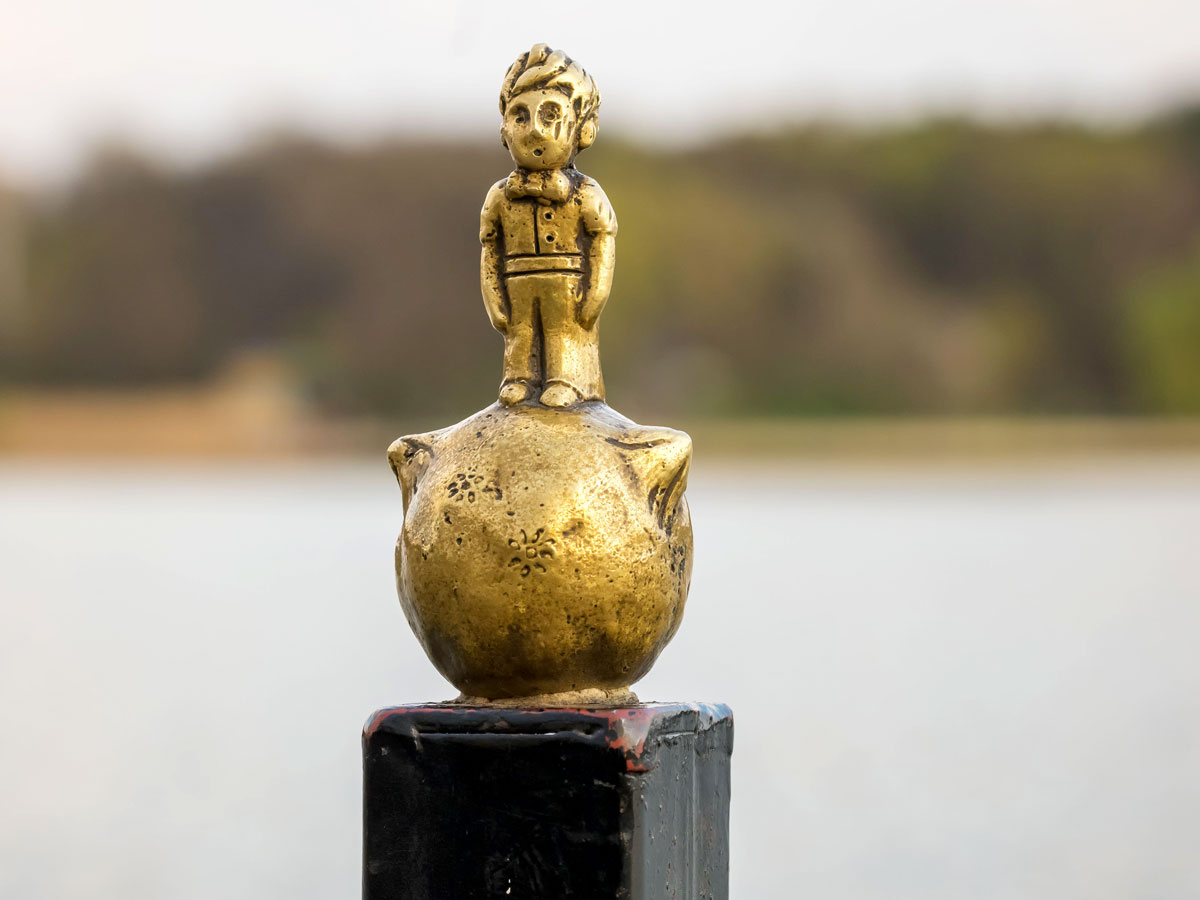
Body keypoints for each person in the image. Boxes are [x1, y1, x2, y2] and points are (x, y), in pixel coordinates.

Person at [479, 44, 617, 408]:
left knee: (562, 334)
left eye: (551, 114)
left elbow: (603, 239)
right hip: (518, 278)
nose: (535, 130)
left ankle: (567, 379)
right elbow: (490, 250)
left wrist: (595, 294)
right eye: (520, 116)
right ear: (504, 130)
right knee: (522, 334)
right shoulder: (500, 197)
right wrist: (494, 300)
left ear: (582, 131)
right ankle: (519, 377)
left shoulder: (584, 192)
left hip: (567, 277)